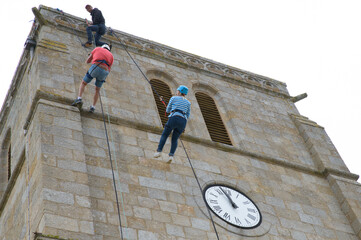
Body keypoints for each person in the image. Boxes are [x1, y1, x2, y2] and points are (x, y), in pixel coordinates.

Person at [71, 44, 114, 113]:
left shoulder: (97, 49)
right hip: (105, 72)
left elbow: (87, 61)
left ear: (102, 47)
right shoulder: (111, 55)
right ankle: (93, 107)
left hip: (96, 67)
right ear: (108, 49)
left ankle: (79, 98)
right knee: (97, 90)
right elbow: (109, 69)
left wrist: (90, 57)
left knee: (84, 83)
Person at [154, 86, 191, 162]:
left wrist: (172, 109)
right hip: (183, 121)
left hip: (174, 118)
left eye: (177, 91)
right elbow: (188, 115)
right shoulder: (188, 102)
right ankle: (171, 156)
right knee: (175, 139)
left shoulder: (173, 98)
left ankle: (159, 151)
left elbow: (167, 110)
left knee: (165, 134)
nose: (176, 92)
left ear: (179, 92)